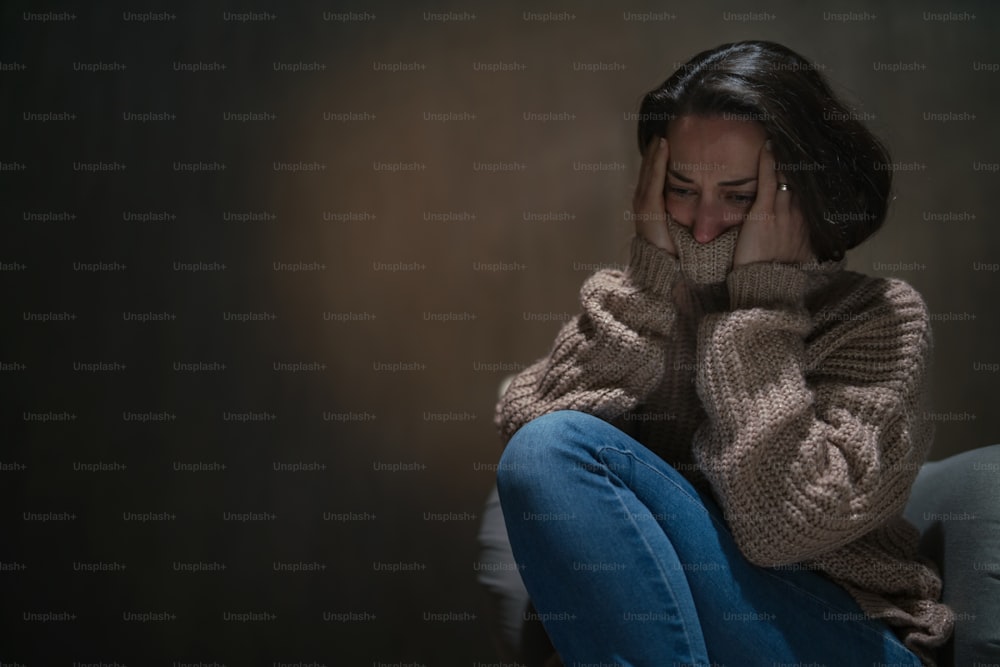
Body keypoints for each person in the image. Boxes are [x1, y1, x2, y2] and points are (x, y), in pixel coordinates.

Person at [490, 40, 955, 666]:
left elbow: (784, 528)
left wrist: (757, 312)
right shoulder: (655, 307)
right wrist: (646, 287)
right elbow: (534, 451)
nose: (703, 227)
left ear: (802, 194)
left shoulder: (881, 318)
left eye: (739, 196)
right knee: (545, 446)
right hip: (692, 624)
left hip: (844, 634)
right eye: (682, 189)